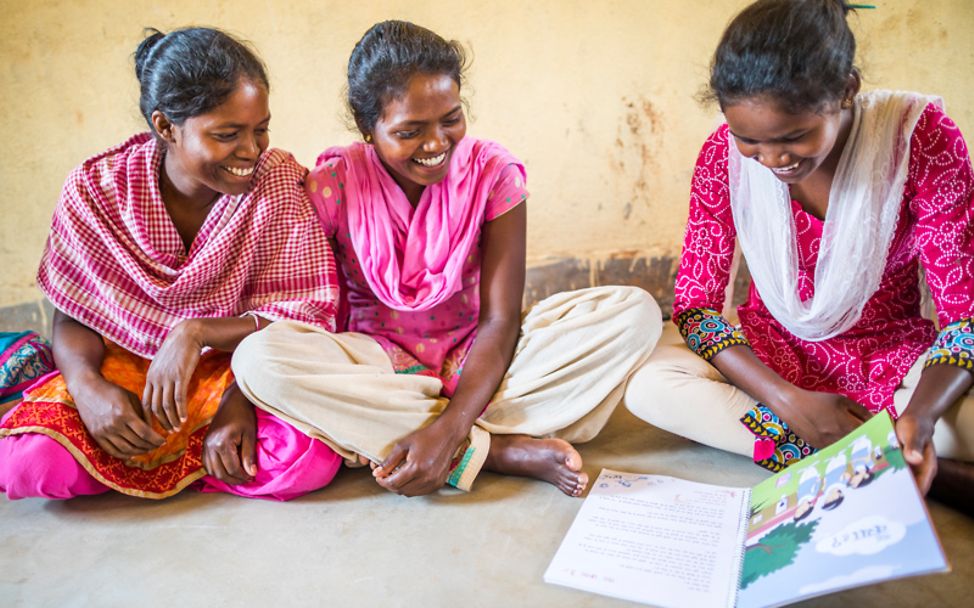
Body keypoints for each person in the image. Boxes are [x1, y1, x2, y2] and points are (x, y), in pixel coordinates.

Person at [232, 20, 661, 498]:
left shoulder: (494, 175)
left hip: (478, 355)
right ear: (366, 129)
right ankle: (493, 451)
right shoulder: (332, 186)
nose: (436, 144)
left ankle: (410, 437)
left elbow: (501, 320)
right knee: (258, 359)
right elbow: (315, 315)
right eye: (410, 131)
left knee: (636, 314)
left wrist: (451, 425)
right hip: (375, 364)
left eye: (450, 119)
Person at [624, 0, 974, 512]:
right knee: (650, 388)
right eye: (750, 140)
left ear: (846, 91)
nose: (772, 160)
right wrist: (786, 400)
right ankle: (900, 467)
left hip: (891, 362)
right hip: (775, 363)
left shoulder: (918, 140)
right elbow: (696, 310)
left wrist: (919, 419)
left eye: (794, 137)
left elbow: (965, 318)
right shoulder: (723, 158)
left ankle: (885, 448)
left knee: (953, 424)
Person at [0, 27, 342, 501]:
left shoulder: (277, 183)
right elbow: (75, 311)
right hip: (127, 362)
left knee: (308, 460)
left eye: (260, 128)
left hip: (239, 366)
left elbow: (301, 317)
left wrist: (234, 385)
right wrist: (87, 388)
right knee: (29, 465)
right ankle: (196, 460)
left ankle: (184, 456)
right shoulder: (97, 190)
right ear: (165, 127)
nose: (251, 151)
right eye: (227, 134)